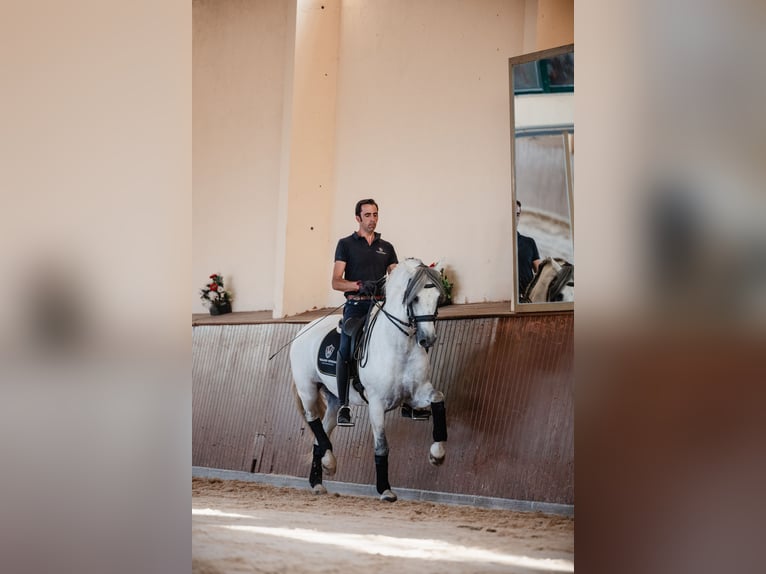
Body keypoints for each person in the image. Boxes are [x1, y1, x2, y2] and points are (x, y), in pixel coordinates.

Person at [332, 198, 398, 426]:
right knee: (345, 347)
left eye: (375, 215)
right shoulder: (345, 244)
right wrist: (358, 285)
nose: (372, 220)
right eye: (367, 215)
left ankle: (408, 399)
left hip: (381, 307)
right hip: (357, 306)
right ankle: (343, 405)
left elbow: (396, 277)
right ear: (358, 218)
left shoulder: (386, 247)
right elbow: (336, 282)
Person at [516, 200, 542, 299]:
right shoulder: (500, 244)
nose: (515, 218)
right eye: (512, 214)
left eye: (517, 214)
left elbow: (539, 272)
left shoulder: (529, 242)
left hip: (528, 298)